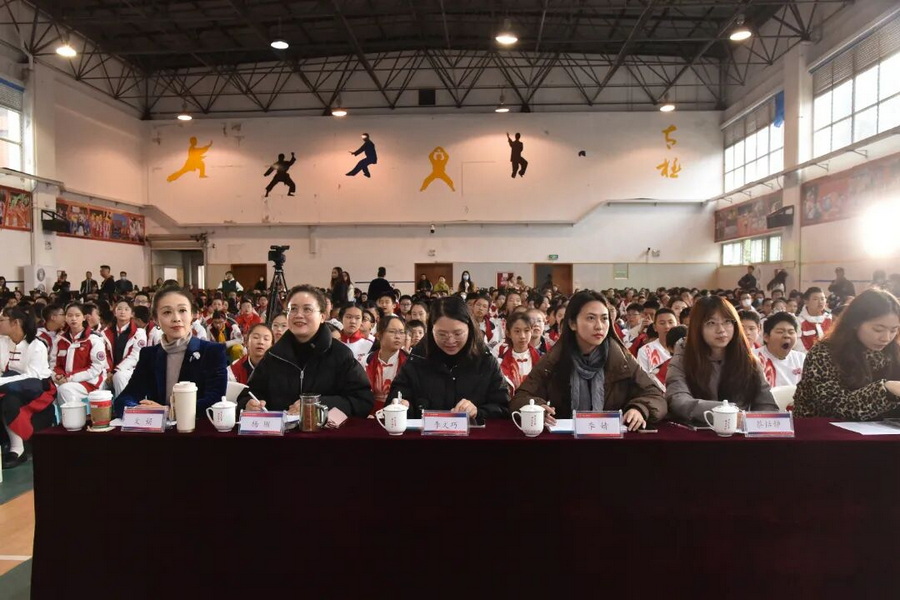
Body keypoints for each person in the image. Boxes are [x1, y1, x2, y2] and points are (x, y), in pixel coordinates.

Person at [510, 290, 666, 430]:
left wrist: (640, 409)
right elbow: (520, 398)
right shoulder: (555, 358)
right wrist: (538, 408)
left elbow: (656, 397)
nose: (599, 326)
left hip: (611, 442)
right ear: (572, 323)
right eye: (591, 318)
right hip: (565, 441)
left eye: (604, 319)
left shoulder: (621, 358)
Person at [237, 285, 374, 417]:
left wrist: (318, 404)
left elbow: (363, 400)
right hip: (281, 432)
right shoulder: (274, 355)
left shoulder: (340, 355)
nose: (298, 315)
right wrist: (248, 404)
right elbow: (248, 394)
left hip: (325, 432)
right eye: (293, 309)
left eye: (307, 309)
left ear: (322, 316)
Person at [113, 286, 228, 418]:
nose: (176, 318)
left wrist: (168, 411)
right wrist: (138, 409)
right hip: (158, 428)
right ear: (156, 319)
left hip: (197, 427)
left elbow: (214, 401)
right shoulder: (149, 355)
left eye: (182, 310)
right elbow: (125, 399)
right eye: (167, 312)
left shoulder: (212, 352)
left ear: (192, 315)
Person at [389, 296, 509, 421]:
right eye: (442, 334)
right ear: (431, 330)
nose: (450, 341)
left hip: (472, 433)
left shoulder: (485, 361)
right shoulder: (418, 358)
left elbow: (503, 408)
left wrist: (478, 413)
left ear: (469, 328)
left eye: (458, 333)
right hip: (424, 433)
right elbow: (396, 397)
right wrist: (403, 406)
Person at [665, 296, 778, 424]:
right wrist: (723, 413)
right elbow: (678, 399)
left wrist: (754, 422)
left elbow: (766, 404)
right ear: (697, 327)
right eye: (711, 323)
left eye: (727, 322)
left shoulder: (748, 359)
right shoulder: (683, 357)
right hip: (699, 429)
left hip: (741, 430)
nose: (721, 330)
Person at [792, 289, 900, 419]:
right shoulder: (823, 353)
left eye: (894, 330)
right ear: (855, 323)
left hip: (880, 429)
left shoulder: (893, 351)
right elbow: (835, 406)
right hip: (821, 428)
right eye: (878, 329)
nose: (886, 338)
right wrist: (885, 390)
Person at [0, 306, 54, 469]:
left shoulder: (37, 345)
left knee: (9, 399)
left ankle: (18, 449)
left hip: (37, 390)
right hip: (9, 385)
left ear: (16, 323)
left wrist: (3, 381)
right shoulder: (3, 341)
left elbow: (33, 376)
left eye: (1, 320)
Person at [51, 303, 108, 406]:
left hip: (90, 382)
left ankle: (74, 416)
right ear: (65, 318)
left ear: (84, 317)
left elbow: (96, 368)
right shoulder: (59, 340)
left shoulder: (94, 339)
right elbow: (54, 364)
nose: (73, 319)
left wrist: (69, 378)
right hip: (64, 380)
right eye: (70, 315)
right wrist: (57, 376)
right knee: (47, 389)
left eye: (77, 315)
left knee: (65, 390)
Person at [102, 300, 148, 396]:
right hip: (109, 371)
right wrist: (108, 371)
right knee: (98, 379)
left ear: (132, 314)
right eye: (119, 309)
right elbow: (104, 354)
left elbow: (134, 356)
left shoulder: (139, 333)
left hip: (130, 370)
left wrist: (115, 371)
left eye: (126, 309)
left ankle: (122, 404)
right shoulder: (105, 333)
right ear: (115, 312)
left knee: (119, 377)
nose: (122, 312)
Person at [365, 315, 409, 414]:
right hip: (369, 411)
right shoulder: (367, 361)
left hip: (399, 413)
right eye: (392, 332)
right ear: (379, 335)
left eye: (401, 332)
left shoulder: (409, 363)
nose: (398, 336)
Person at [755, 312, 805, 388]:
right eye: (780, 332)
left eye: (791, 332)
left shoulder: (801, 358)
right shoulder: (754, 358)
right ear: (766, 337)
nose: (787, 336)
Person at [497, 313, 539, 395]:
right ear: (508, 333)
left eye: (526, 331)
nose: (522, 336)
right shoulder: (500, 362)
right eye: (517, 331)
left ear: (531, 331)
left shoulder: (541, 359)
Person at [637, 308, 678, 380]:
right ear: (655, 327)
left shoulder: (685, 348)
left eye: (670, 322)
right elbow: (642, 379)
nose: (667, 326)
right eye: (662, 323)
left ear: (677, 324)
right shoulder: (645, 351)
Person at [797, 287, 832, 352]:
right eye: (815, 299)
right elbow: (798, 346)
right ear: (806, 302)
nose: (820, 302)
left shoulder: (830, 319)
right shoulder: (799, 321)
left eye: (822, 299)